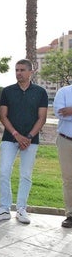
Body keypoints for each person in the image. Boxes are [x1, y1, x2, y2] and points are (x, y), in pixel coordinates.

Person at [0, 59, 48, 224]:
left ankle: (21, 209)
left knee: (25, 175)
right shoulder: (7, 91)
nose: (19, 73)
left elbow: (42, 118)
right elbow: (3, 116)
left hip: (31, 140)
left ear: (31, 72)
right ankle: (4, 208)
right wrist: (16, 135)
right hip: (10, 138)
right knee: (3, 171)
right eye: (16, 70)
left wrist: (28, 137)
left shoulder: (40, 92)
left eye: (22, 70)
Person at [54, 83, 72, 228]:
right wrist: (66, 112)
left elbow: (67, 114)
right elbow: (59, 113)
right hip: (66, 140)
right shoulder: (64, 92)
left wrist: (71, 110)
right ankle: (70, 214)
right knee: (68, 179)